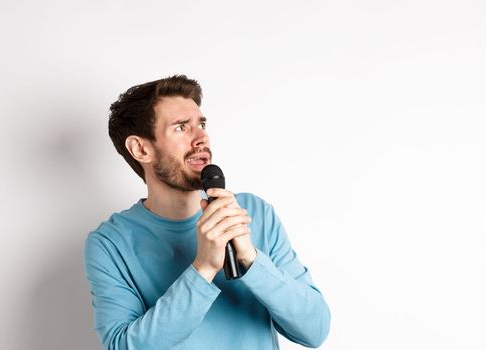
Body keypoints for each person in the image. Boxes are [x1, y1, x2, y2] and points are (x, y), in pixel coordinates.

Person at [85, 75, 330, 349]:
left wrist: (251, 259)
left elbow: (315, 329)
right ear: (141, 148)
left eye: (201, 124)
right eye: (181, 128)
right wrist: (203, 268)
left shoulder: (253, 213)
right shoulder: (110, 243)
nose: (201, 138)